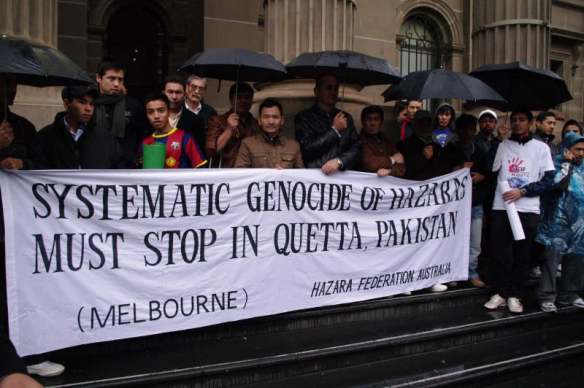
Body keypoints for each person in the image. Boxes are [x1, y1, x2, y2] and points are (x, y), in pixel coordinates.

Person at [484, 109, 556, 314]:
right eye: (514, 120)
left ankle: (515, 294)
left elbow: (548, 180)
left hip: (528, 208)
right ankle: (501, 292)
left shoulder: (541, 148)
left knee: (522, 253)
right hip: (502, 207)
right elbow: (490, 168)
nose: (517, 123)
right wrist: (498, 140)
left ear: (531, 123)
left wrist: (523, 191)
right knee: (499, 253)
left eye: (522, 120)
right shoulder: (503, 144)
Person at [536, 131, 584, 312]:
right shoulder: (557, 163)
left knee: (576, 259)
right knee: (551, 261)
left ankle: (569, 294)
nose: (580, 153)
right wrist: (567, 163)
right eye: (577, 149)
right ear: (567, 149)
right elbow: (557, 184)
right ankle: (547, 296)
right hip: (557, 221)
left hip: (579, 223)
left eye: (583, 150)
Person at [295, 74, 360, 175]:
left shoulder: (346, 118)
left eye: (336, 88)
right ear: (316, 91)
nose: (333, 92)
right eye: (328, 88)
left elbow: (356, 148)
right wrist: (334, 131)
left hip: (343, 176)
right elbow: (307, 150)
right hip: (317, 175)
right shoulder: (304, 117)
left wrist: (339, 162)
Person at [31, 85, 109, 169]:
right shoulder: (44, 137)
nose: (88, 108)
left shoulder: (105, 138)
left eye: (92, 104)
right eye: (82, 102)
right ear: (67, 103)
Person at [91, 61, 147, 168]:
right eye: (111, 79)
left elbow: (143, 135)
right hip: (96, 166)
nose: (116, 84)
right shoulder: (90, 104)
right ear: (98, 78)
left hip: (126, 167)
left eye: (120, 79)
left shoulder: (133, 105)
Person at [455, 114, 488, 288]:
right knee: (453, 240)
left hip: (475, 202)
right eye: (463, 129)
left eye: (470, 129)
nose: (467, 133)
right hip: (454, 205)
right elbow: (441, 172)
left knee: (475, 242)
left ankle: (472, 271)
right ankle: (452, 271)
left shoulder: (481, 150)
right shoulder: (449, 150)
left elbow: (490, 174)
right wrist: (458, 169)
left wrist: (482, 176)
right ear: (457, 131)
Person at [142, 93, 206, 169]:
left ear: (169, 112)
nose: (156, 116)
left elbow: (201, 169)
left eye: (161, 110)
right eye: (150, 112)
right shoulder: (145, 142)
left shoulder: (185, 138)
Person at [235, 98, 303, 168]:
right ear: (259, 120)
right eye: (266, 117)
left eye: (275, 117)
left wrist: (284, 174)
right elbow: (240, 173)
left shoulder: (293, 146)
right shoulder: (248, 144)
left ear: (282, 120)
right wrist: (268, 174)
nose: (271, 122)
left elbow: (301, 176)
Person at [397, 110, 463, 181]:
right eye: (421, 123)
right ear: (414, 124)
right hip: (417, 187)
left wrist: (461, 165)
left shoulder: (441, 142)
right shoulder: (404, 145)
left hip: (438, 186)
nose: (425, 127)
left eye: (428, 123)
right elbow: (404, 171)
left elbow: (452, 160)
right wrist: (423, 157)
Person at [206, 82, 258, 168]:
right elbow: (211, 151)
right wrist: (229, 129)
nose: (243, 101)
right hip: (225, 172)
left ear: (251, 100)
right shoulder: (217, 121)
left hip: (249, 172)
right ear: (231, 99)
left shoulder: (256, 124)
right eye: (239, 97)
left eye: (247, 98)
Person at [162, 74, 206, 158]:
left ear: (184, 94)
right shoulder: (154, 117)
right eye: (170, 92)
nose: (174, 97)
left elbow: (199, 154)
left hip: (183, 168)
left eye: (178, 92)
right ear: (163, 93)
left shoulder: (196, 121)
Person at [359, 105, 405, 177]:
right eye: (368, 119)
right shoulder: (359, 140)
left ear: (381, 122)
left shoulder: (385, 140)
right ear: (363, 122)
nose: (372, 123)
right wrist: (392, 159)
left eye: (376, 119)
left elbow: (402, 167)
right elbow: (370, 164)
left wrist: (390, 171)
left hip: (386, 185)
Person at [0, 79, 36, 155]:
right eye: (7, 83)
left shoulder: (25, 126)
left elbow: (38, 162)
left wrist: (23, 163)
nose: (13, 90)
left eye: (15, 83)